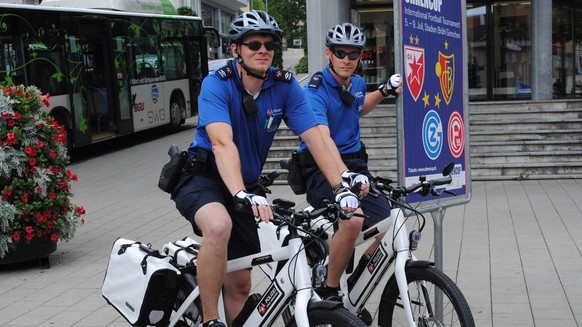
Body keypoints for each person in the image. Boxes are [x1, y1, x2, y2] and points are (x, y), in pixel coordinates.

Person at [170, 11, 360, 327]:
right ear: (236, 50)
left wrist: (341, 185)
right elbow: (221, 144)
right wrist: (239, 192)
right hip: (202, 177)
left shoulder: (284, 86)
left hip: (245, 187)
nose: (263, 50)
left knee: (241, 283)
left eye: (269, 45)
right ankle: (210, 320)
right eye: (254, 44)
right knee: (218, 226)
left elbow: (316, 139)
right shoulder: (216, 85)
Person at [295, 22, 402, 301]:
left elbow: (358, 106)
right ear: (328, 54)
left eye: (352, 54)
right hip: (322, 168)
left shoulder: (356, 82)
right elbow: (323, 139)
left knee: (390, 224)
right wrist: (345, 178)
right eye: (340, 53)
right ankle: (331, 292)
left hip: (356, 166)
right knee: (353, 219)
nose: (346, 59)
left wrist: (383, 91)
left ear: (360, 57)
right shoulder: (315, 91)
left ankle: (354, 287)